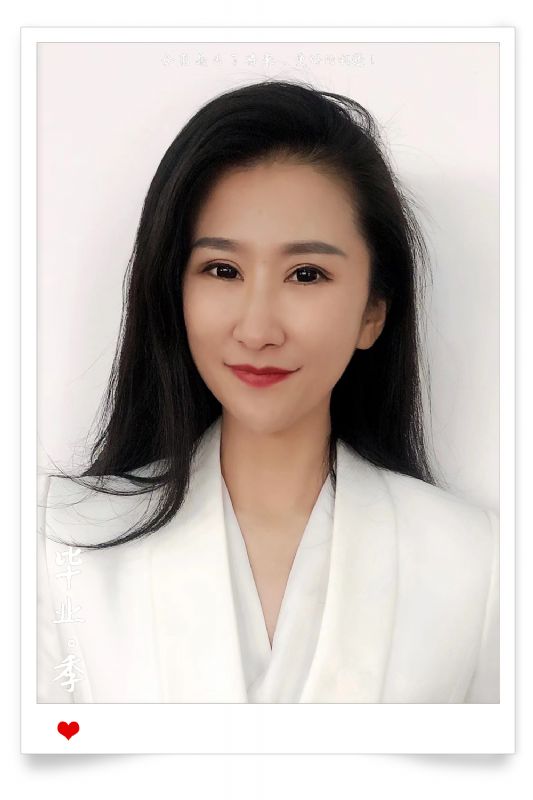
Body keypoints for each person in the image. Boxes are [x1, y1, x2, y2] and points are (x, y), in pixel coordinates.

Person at [37, 79, 499, 704]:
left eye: (306, 274)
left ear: (373, 313)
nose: (257, 330)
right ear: (175, 292)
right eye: (222, 270)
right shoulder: (60, 541)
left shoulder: (477, 563)